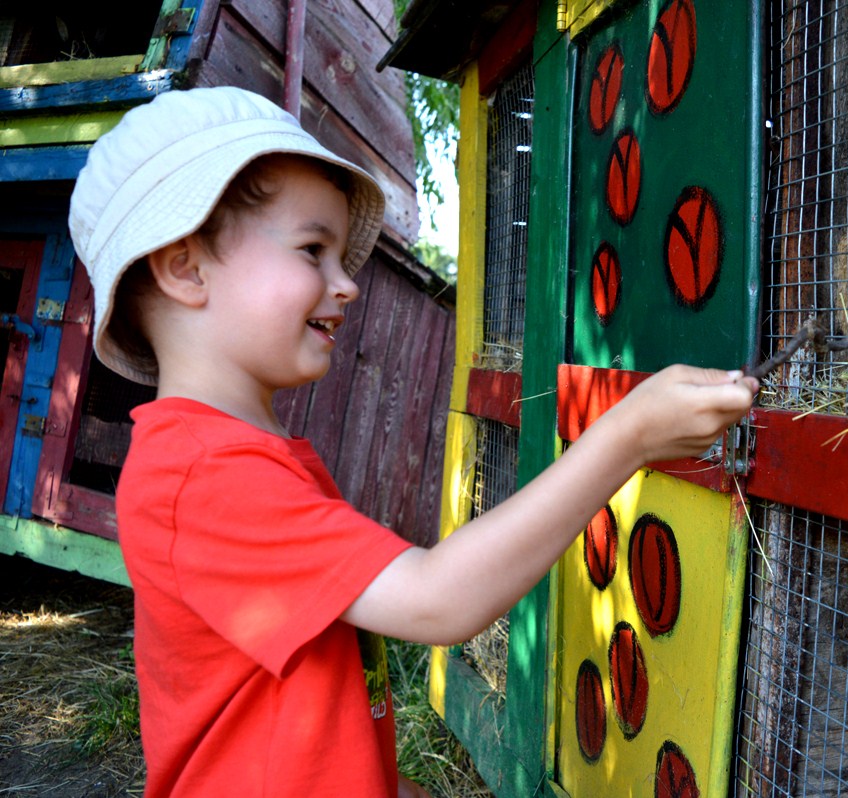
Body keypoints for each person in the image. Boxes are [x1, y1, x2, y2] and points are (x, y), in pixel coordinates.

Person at [67, 86, 757, 798]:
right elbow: (437, 602)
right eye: (313, 250)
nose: (349, 285)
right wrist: (628, 438)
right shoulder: (204, 473)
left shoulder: (227, 456)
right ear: (185, 268)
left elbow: (278, 695)